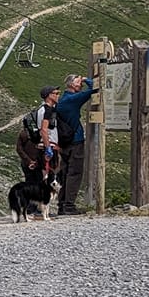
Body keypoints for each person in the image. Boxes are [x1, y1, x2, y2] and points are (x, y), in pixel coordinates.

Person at [52, 73, 95, 215]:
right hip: (75, 140)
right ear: (71, 84)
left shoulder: (63, 100)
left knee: (65, 173)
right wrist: (86, 80)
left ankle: (62, 205)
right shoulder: (73, 99)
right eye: (78, 81)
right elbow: (96, 88)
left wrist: (80, 81)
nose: (80, 83)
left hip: (64, 141)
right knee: (74, 172)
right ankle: (69, 205)